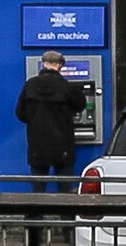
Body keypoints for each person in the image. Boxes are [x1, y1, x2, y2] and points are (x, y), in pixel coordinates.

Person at [16, 51, 83, 192]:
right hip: (63, 143)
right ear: (60, 66)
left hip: (37, 143)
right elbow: (81, 105)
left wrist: (35, 120)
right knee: (65, 189)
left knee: (38, 188)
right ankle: (65, 214)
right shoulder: (67, 87)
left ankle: (37, 214)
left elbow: (20, 113)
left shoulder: (30, 85)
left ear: (43, 64)